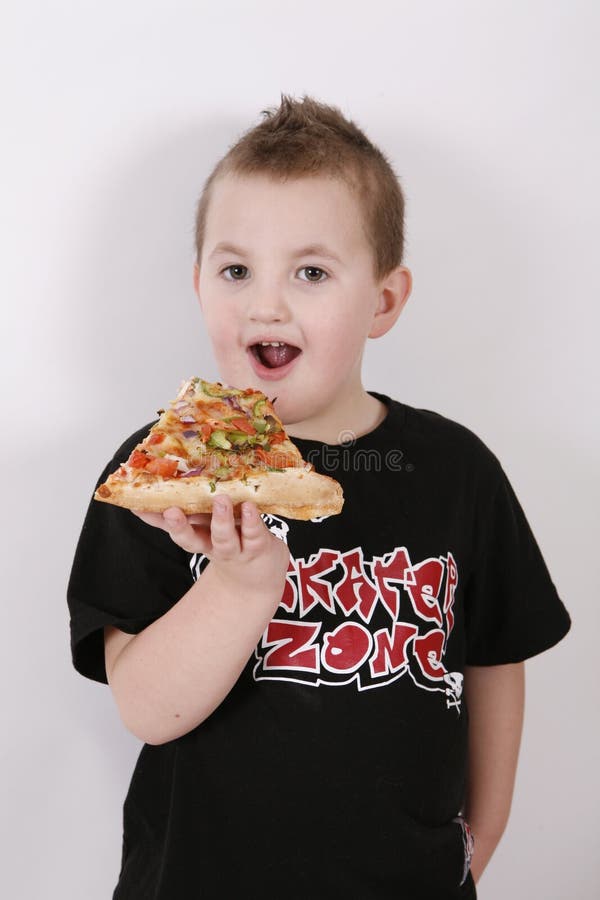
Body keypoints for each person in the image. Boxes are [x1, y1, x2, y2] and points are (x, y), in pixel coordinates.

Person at [67, 95, 571, 900]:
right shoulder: (163, 470)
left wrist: (488, 827)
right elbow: (145, 709)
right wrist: (240, 586)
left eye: (310, 272)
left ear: (383, 301)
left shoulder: (453, 469)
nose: (266, 304)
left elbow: (494, 654)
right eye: (236, 270)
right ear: (199, 284)